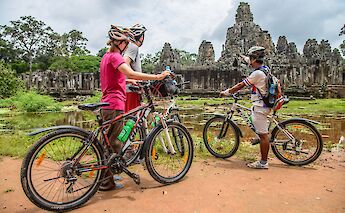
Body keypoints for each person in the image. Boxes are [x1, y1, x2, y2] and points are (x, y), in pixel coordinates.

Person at [99, 25, 170, 190]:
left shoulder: (106, 56)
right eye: (125, 42)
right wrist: (157, 76)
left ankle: (103, 178)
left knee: (108, 142)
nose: (127, 45)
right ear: (119, 43)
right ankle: (105, 182)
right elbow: (129, 72)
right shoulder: (116, 57)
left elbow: (117, 78)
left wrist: (130, 81)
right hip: (115, 103)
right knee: (115, 144)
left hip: (106, 102)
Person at [220, 46, 271, 169]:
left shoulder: (257, 73)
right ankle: (259, 137)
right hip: (262, 104)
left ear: (254, 59)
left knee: (263, 136)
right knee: (257, 125)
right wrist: (242, 57)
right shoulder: (264, 69)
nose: (249, 62)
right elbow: (250, 61)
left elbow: (241, 85)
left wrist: (227, 92)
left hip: (261, 106)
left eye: (251, 59)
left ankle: (263, 163)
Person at [123, 23, 147, 112]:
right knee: (132, 118)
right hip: (131, 89)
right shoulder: (133, 47)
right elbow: (125, 63)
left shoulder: (126, 47)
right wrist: (134, 79)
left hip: (126, 88)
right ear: (141, 37)